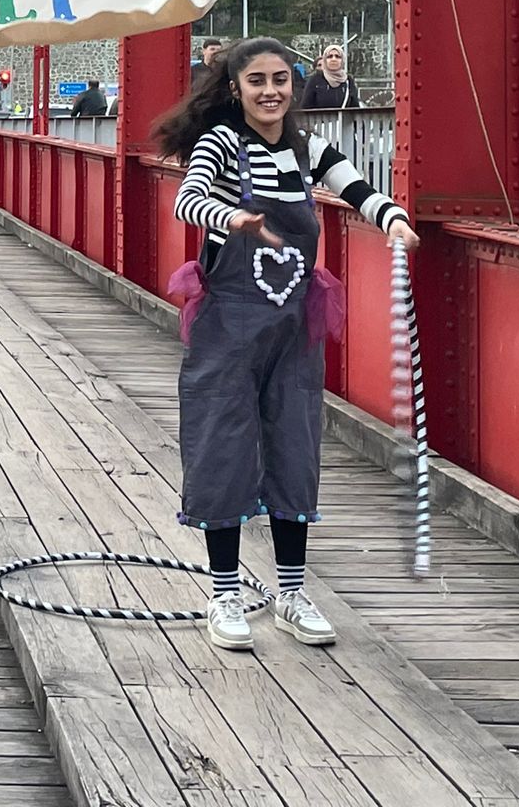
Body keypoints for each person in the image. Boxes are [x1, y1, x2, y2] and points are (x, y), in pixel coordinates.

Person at [153, 37, 418, 653]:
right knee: (221, 444)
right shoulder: (220, 144)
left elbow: (356, 186)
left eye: (281, 80)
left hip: (293, 323)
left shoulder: (305, 146)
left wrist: (393, 219)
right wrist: (233, 219)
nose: (271, 91)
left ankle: (292, 593)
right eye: (257, 81)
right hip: (230, 323)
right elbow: (187, 201)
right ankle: (224, 593)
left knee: (296, 445)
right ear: (235, 88)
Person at [297, 46, 360, 111]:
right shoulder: (315, 80)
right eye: (329, 56)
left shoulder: (348, 80)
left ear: (342, 60)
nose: (333, 59)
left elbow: (355, 107)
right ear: (325, 60)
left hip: (344, 120)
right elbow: (305, 107)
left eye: (337, 56)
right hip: (320, 120)